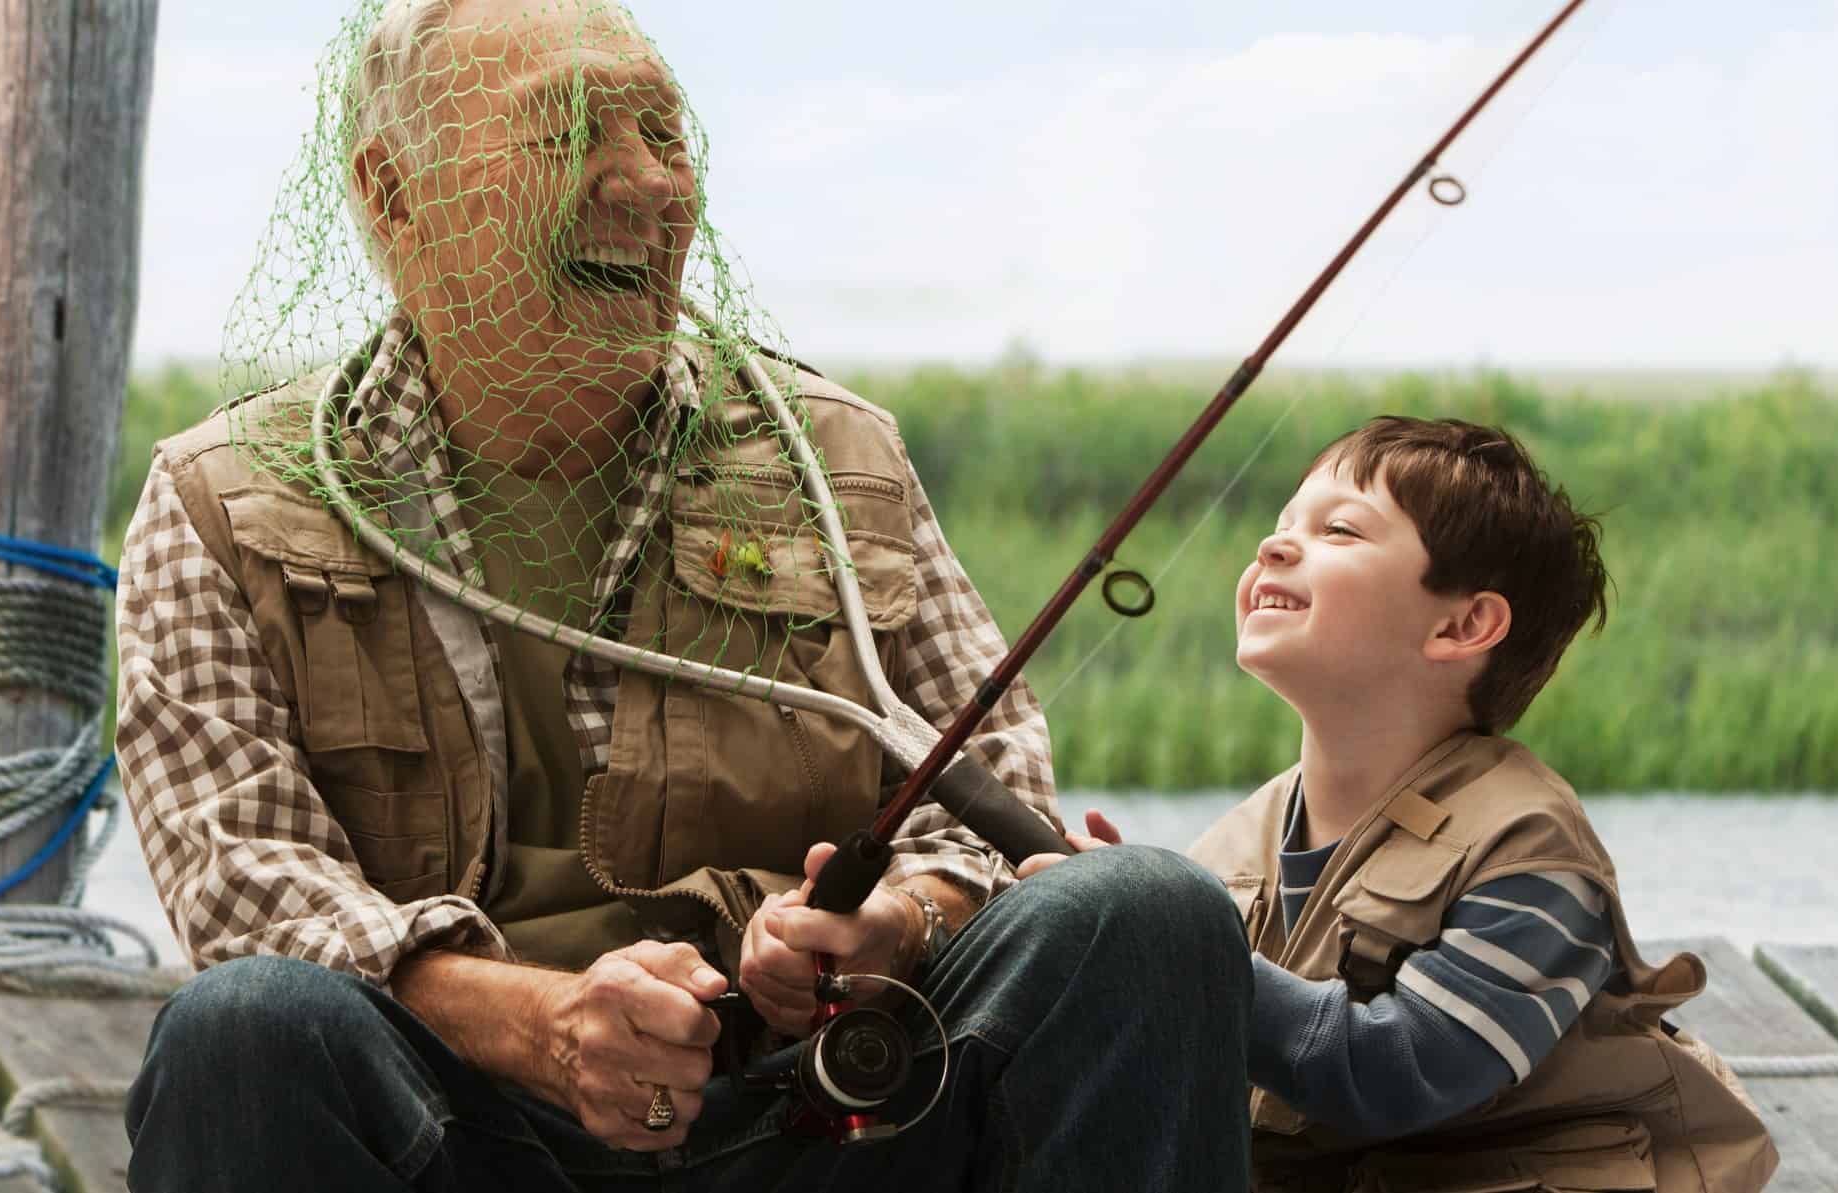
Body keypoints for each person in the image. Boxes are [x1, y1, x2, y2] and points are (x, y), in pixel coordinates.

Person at [114, 0, 1250, 1189]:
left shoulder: (836, 456)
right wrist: (548, 1027)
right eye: (568, 133)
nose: (648, 182)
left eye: (665, 133)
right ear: (397, 197)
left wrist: (896, 922)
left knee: (1143, 907)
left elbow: (991, 784)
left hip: (827, 1109)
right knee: (243, 1028)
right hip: (463, 1129)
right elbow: (243, 882)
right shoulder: (221, 501)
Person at [1025, 416, 1779, 1191]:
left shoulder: (1529, 848)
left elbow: (1399, 1071)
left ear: (1462, 624)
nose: (1273, 546)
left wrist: (1176, 942)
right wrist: (1118, 923)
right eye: (1282, 524)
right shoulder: (1237, 838)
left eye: (1339, 530)